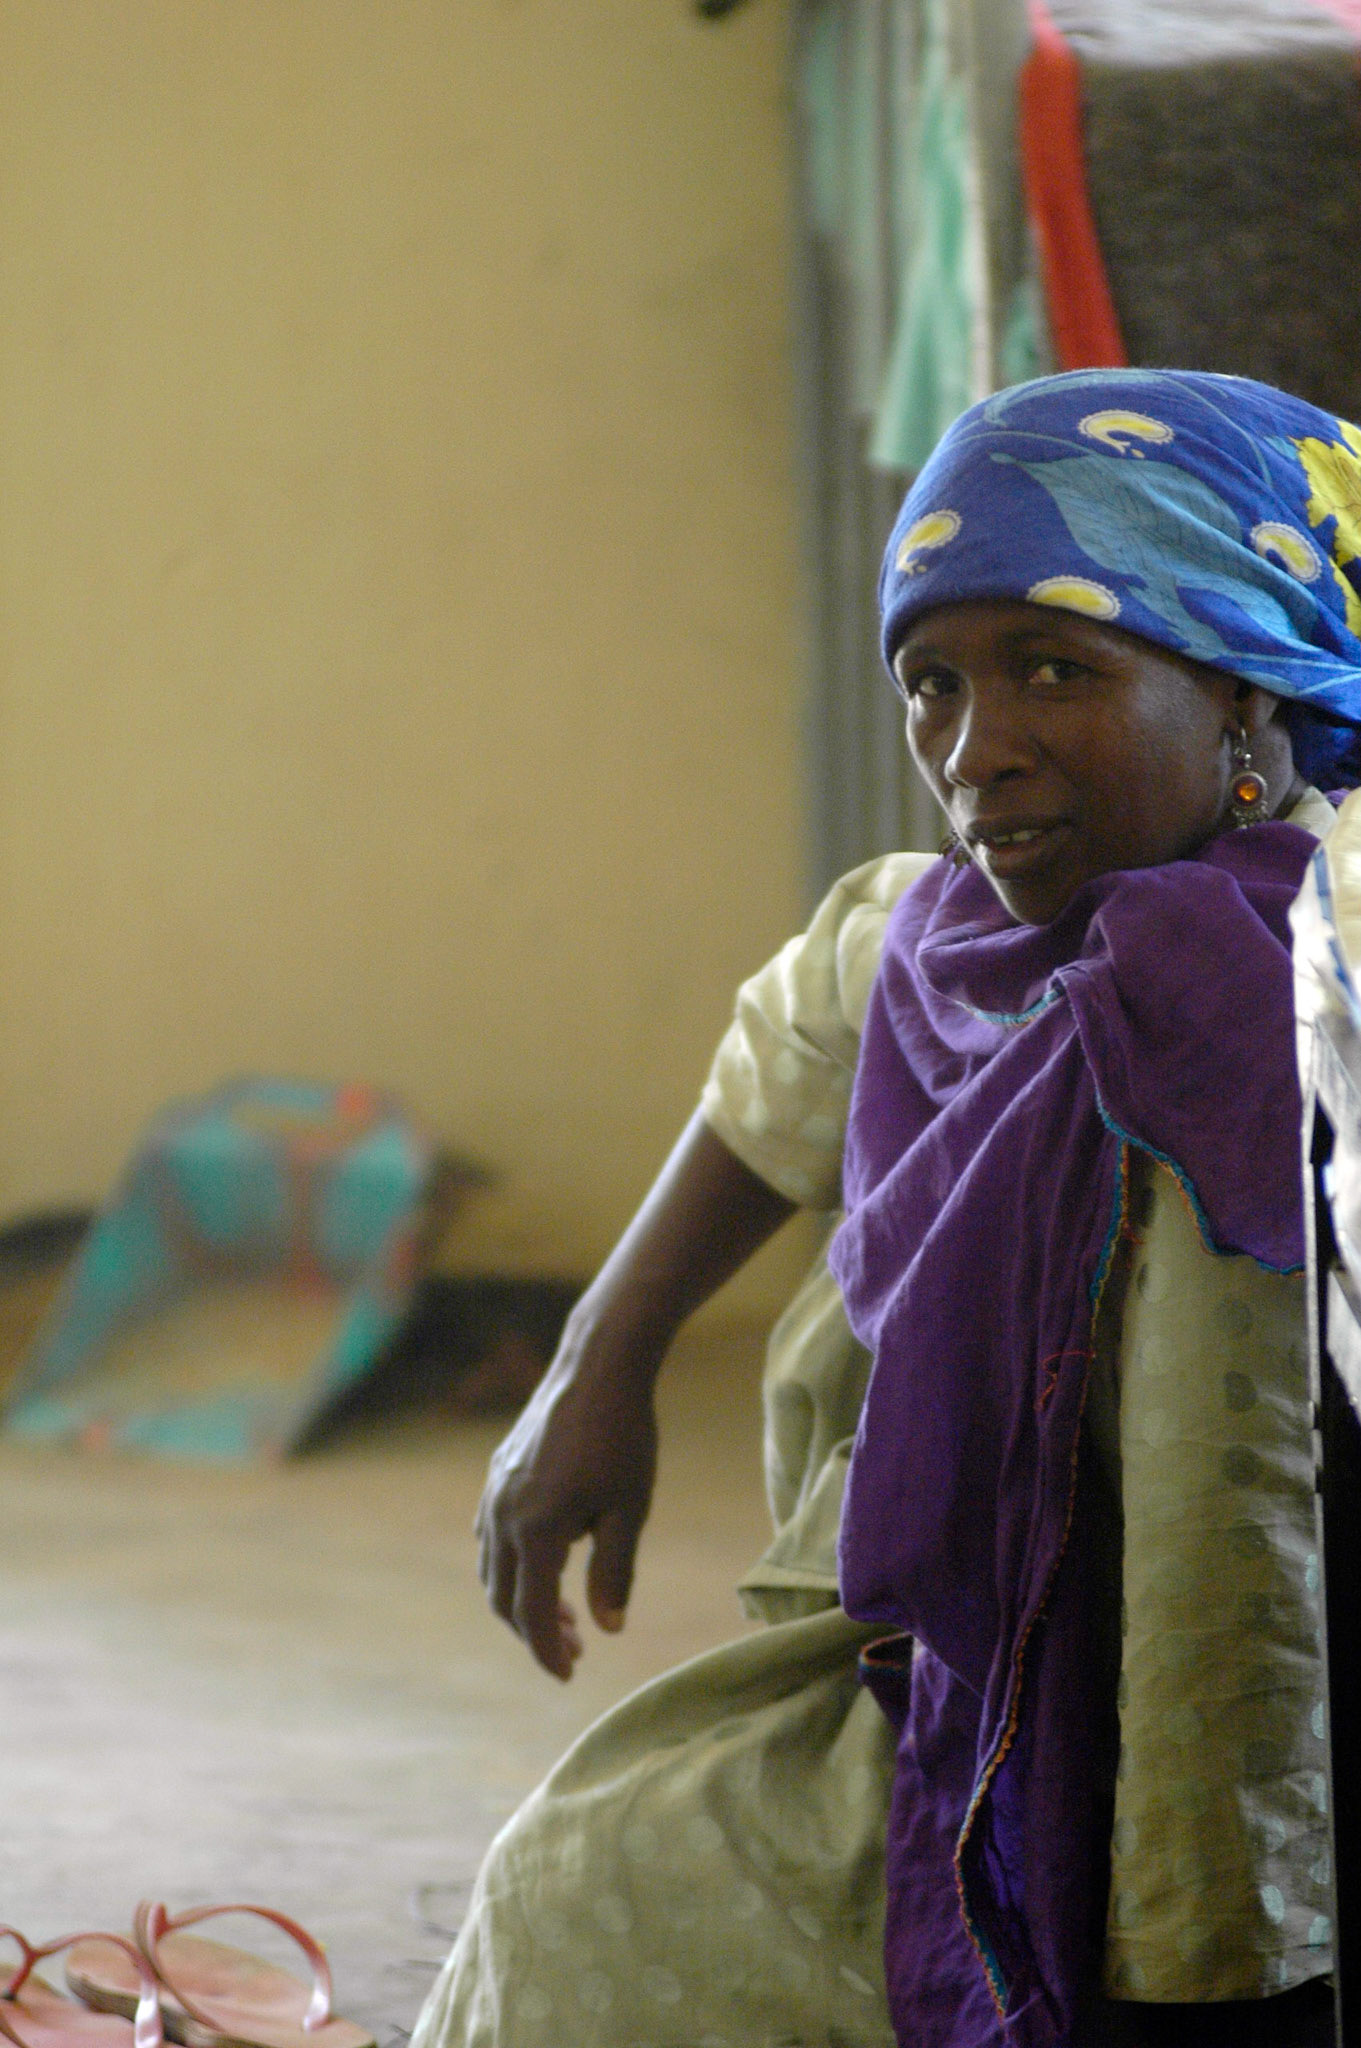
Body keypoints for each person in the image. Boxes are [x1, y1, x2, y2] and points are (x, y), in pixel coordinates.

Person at [411, 369, 1361, 2048]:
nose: (972, 752)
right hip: (958, 1661)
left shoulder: (1325, 954)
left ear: (1240, 688)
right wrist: (598, 1361)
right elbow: (772, 1062)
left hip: (1271, 1718)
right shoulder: (932, 944)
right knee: (587, 1886)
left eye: (1054, 669)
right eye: (932, 683)